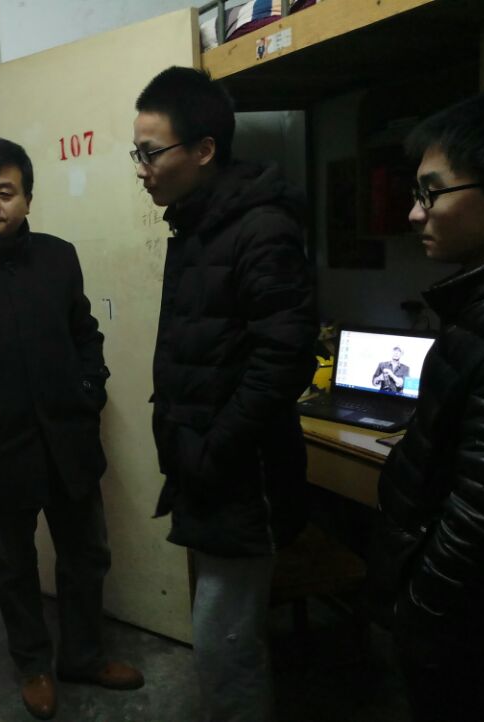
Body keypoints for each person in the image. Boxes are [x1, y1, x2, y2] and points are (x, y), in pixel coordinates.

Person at [0, 138, 143, 720]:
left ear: (27, 199)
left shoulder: (59, 258)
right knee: (14, 565)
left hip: (68, 439)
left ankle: (84, 656)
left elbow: (85, 333)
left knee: (86, 554)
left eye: (5, 192)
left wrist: (89, 391)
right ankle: (33, 664)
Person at [133, 67, 317, 722]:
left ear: (204, 149)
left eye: (151, 153)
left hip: (243, 475)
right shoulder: (201, 224)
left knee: (225, 644)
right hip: (210, 468)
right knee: (222, 633)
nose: (142, 169)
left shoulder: (259, 229)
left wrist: (214, 450)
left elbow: (283, 359)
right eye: (137, 154)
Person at [370, 89, 484, 722]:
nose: (415, 213)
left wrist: (415, 617)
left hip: (468, 635)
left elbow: (480, 525)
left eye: (431, 193)